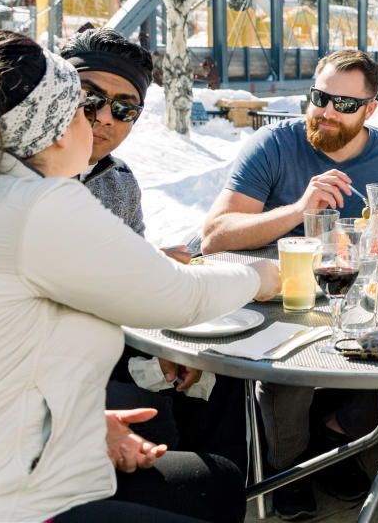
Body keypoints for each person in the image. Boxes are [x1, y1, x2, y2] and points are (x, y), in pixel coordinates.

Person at [0, 31, 280, 523]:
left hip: (14, 444)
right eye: (85, 106)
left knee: (215, 475)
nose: (101, 120)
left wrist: (83, 424)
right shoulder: (41, 202)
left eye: (124, 108)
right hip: (1, 494)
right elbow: (176, 296)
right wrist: (262, 276)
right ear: (60, 128)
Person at [201, 48, 378, 520]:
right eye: (321, 97)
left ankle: (335, 440)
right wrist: (299, 210)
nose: (327, 111)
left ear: (370, 109)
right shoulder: (274, 145)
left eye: (345, 104)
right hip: (284, 299)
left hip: (363, 298)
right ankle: (291, 468)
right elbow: (213, 236)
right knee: (289, 377)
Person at [61, 28, 250, 475]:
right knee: (152, 407)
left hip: (115, 338)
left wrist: (168, 345)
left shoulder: (118, 180)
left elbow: (133, 290)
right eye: (89, 96)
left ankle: (222, 490)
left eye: (125, 108)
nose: (105, 116)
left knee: (219, 374)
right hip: (52, 363)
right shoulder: (13, 176)